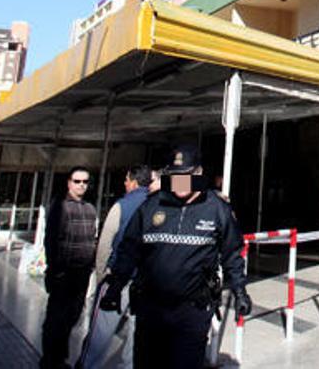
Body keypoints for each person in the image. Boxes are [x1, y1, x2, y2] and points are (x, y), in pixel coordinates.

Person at [99, 147, 251, 369]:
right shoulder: (152, 205)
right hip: (151, 311)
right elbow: (129, 249)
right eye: (175, 176)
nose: (181, 182)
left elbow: (232, 254)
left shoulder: (217, 209)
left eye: (186, 176)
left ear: (198, 173)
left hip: (192, 312)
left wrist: (239, 291)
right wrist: (115, 286)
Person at [79, 165, 152, 368]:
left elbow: (105, 243)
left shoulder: (122, 205)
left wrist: (102, 273)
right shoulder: (157, 204)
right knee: (136, 337)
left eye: (126, 180)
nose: (124, 183)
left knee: (100, 334)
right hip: (145, 282)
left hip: (117, 278)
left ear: (134, 182)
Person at [41, 167, 98, 369]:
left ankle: (60, 357)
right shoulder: (60, 207)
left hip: (81, 274)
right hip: (63, 273)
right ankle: (50, 360)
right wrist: (54, 269)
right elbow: (51, 240)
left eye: (85, 181)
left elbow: (92, 238)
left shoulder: (90, 209)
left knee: (72, 316)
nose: (81, 185)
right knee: (56, 318)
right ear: (68, 182)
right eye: (77, 181)